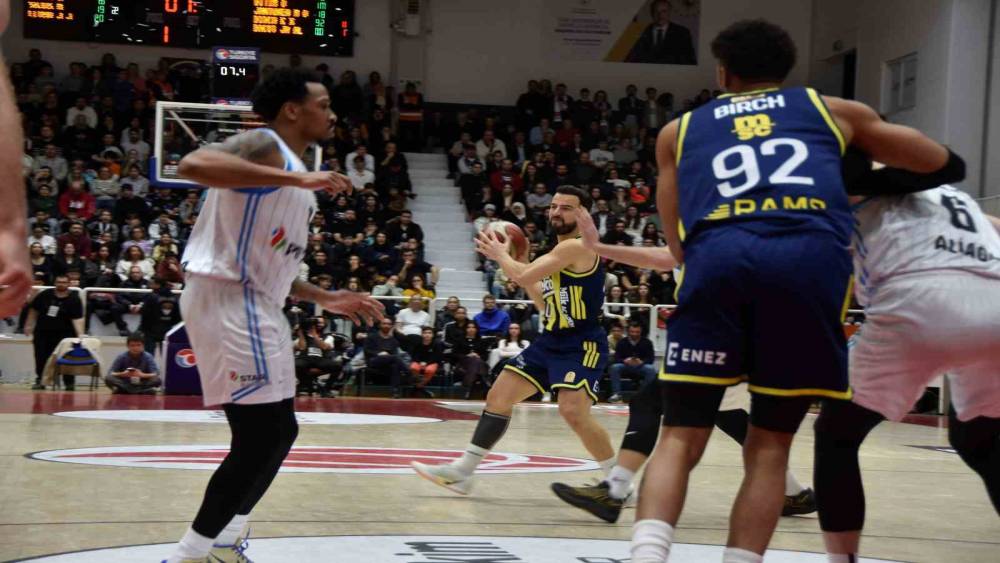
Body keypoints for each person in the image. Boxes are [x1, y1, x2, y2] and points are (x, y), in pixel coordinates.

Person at [629, 20, 964, 563]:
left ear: (723, 72)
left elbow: (676, 242)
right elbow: (942, 163)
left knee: (680, 434)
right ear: (785, 69)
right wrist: (850, 175)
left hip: (720, 262)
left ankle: (647, 554)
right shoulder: (833, 111)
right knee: (769, 446)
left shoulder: (679, 131)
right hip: (806, 266)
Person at [162, 68, 383, 563]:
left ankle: (224, 541)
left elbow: (273, 261)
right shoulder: (266, 145)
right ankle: (188, 555)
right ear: (292, 110)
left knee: (280, 432)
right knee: (260, 436)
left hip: (257, 301)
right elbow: (193, 163)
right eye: (323, 105)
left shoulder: (291, 173)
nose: (332, 114)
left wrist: (325, 297)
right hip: (229, 299)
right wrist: (295, 177)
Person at [550, 209, 815, 524]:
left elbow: (667, 259)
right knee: (730, 418)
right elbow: (663, 258)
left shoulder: (724, 231)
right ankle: (793, 493)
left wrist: (597, 246)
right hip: (733, 344)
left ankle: (615, 491)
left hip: (724, 344)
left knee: (648, 402)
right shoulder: (727, 233)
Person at [815, 180, 1000, 559]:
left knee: (837, 434)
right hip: (994, 303)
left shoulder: (852, 178)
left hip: (918, 301)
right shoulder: (948, 194)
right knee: (979, 438)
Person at [412, 186, 617, 495]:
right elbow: (543, 303)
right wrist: (521, 259)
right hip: (551, 340)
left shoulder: (577, 247)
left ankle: (619, 483)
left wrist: (502, 256)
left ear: (583, 214)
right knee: (498, 397)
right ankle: (463, 472)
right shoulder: (557, 252)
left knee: (573, 412)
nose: (556, 212)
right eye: (554, 206)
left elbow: (521, 277)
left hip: (582, 342)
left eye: (566, 207)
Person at [24, 275, 85, 390]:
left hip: (65, 335)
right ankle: (41, 380)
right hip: (42, 332)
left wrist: (80, 335)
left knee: (67, 358)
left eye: (64, 282)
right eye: (58, 282)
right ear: (55, 283)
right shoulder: (45, 295)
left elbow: (78, 319)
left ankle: (69, 383)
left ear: (69, 284)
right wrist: (28, 325)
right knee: (41, 357)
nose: (61, 284)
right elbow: (34, 310)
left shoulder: (74, 299)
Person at [625, 0, 696, 65]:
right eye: (656, 11)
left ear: (669, 12)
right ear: (651, 13)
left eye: (664, 11)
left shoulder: (682, 33)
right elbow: (630, 59)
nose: (660, 15)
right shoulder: (641, 32)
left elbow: (690, 61)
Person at [606, 323, 656, 403]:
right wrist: (625, 361)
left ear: (641, 332)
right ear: (628, 332)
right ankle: (616, 395)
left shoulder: (647, 342)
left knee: (651, 369)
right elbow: (616, 358)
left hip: (641, 366)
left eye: (637, 332)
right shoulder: (622, 342)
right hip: (625, 365)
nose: (634, 334)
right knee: (615, 367)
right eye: (632, 332)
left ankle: (643, 395)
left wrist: (642, 362)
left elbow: (651, 358)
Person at [365, 317, 411, 399]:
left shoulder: (393, 340)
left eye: (389, 324)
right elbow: (367, 350)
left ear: (391, 326)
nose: (386, 325)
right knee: (395, 358)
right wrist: (378, 353)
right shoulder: (372, 337)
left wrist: (388, 356)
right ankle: (409, 373)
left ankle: (395, 392)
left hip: (388, 363)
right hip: (373, 361)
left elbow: (394, 353)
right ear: (380, 325)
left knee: (395, 365)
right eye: (384, 323)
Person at [293, 317, 340, 396]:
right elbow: (302, 347)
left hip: (320, 359)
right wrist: (300, 332)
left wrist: (314, 334)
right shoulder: (303, 336)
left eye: (321, 323)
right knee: (295, 365)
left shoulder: (328, 337)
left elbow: (324, 347)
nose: (318, 325)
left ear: (325, 325)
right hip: (305, 358)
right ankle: (303, 385)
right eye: (317, 323)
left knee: (337, 366)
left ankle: (326, 389)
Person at [409, 326, 443, 397]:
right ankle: (421, 388)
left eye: (429, 333)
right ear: (422, 334)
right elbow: (414, 355)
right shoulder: (417, 343)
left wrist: (426, 363)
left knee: (429, 370)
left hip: (432, 362)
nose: (427, 335)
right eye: (425, 333)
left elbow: (437, 357)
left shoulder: (437, 344)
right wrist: (419, 362)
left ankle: (418, 387)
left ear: (432, 335)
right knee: (413, 367)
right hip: (419, 362)